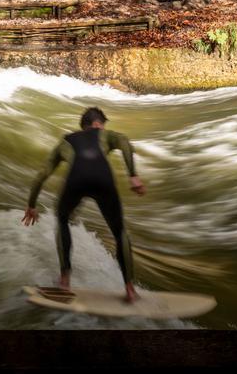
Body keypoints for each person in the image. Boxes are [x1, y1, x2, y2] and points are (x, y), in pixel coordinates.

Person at [22, 107, 145, 303]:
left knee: (62, 219)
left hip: (75, 182)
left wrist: (31, 205)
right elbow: (124, 142)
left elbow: (42, 174)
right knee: (119, 232)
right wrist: (133, 175)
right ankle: (130, 290)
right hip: (103, 180)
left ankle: (64, 281)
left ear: (83, 126)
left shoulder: (65, 141)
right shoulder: (105, 135)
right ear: (98, 124)